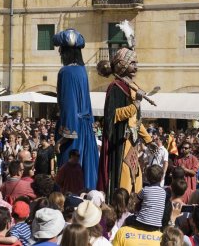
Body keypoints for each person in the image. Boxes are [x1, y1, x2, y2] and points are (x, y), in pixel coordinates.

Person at [97, 47, 158, 195]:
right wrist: (135, 104)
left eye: (136, 63)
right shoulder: (116, 87)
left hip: (133, 142)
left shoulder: (131, 87)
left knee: (135, 176)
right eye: (132, 63)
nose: (136, 67)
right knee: (124, 176)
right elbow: (113, 115)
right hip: (120, 141)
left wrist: (148, 140)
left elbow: (136, 121)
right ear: (123, 65)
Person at [53, 28, 99, 190]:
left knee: (69, 180)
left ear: (66, 52)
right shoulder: (82, 71)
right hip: (86, 129)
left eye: (61, 50)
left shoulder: (66, 72)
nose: (60, 53)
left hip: (74, 133)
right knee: (86, 175)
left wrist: (63, 138)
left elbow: (69, 106)